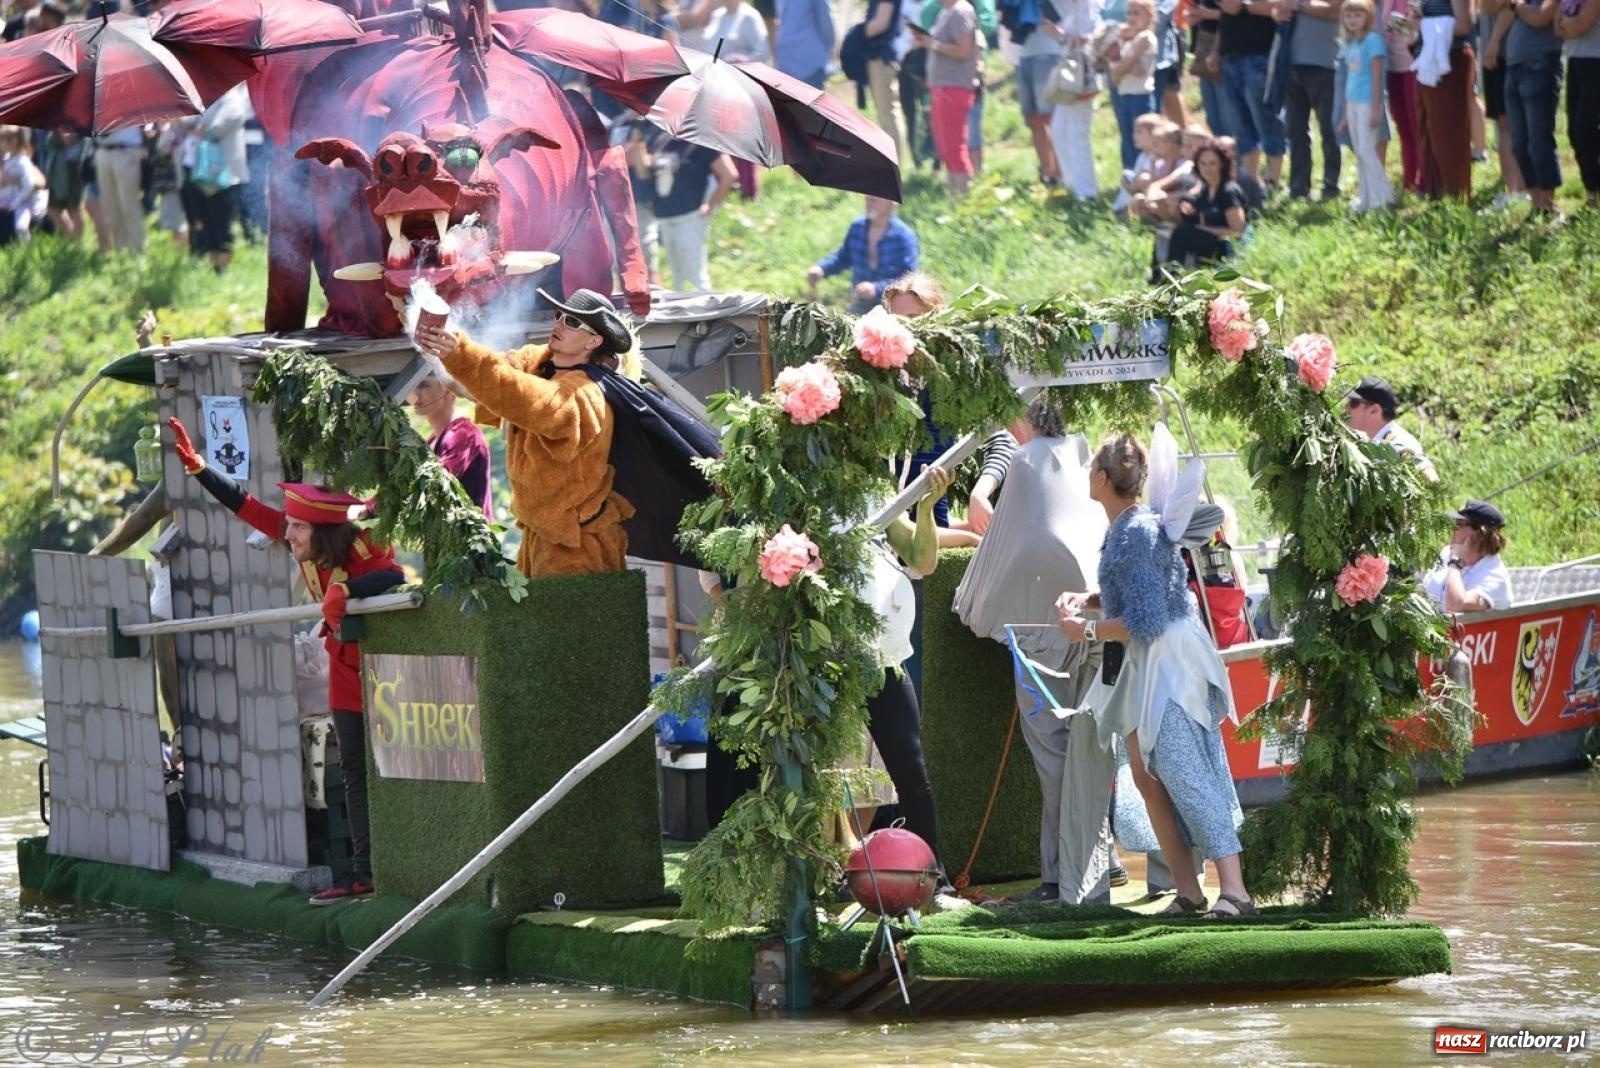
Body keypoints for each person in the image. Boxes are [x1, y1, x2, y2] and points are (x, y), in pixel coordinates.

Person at [165, 419, 404, 905]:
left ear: (320, 531)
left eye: (296, 527)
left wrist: (346, 588)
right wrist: (201, 470)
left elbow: (394, 576)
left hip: (387, 664)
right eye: (290, 525)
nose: (286, 534)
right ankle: (363, 872)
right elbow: (249, 508)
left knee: (392, 765)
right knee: (355, 769)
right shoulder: (306, 540)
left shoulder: (360, 548)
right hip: (342, 663)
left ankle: (407, 862)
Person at [1057, 433, 1254, 917]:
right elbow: (1138, 594)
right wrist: (1089, 599)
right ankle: (1187, 892)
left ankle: (1236, 892)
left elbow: (1145, 620)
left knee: (1185, 772)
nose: (1087, 477)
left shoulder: (1138, 532)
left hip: (1170, 664)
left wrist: (1082, 630)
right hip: (1151, 661)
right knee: (1146, 776)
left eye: (1090, 470)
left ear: (1103, 479)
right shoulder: (1128, 526)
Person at [953, 398, 1118, 904]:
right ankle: (1100, 862)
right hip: (1095, 623)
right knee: (1092, 748)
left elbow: (1006, 547)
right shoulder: (1082, 452)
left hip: (1042, 629)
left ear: (1023, 418)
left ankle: (1060, 878)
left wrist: (972, 609)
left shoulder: (1025, 464)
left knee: (1054, 753)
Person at [413, 290, 634, 578]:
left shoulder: (586, 394)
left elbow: (523, 397)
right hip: (539, 537)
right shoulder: (536, 362)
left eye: (571, 321)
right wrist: (437, 355)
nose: (559, 323)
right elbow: (484, 386)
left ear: (594, 341)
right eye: (559, 316)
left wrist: (460, 354)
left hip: (579, 546)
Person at [635, 131, 737, 292]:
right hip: (664, 215)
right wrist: (638, 146)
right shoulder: (661, 139)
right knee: (678, 276)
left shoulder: (703, 142)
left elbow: (729, 175)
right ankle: (685, 315)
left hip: (690, 216)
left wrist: (711, 205)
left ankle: (706, 314)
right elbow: (645, 173)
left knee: (695, 275)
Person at [1500, 0, 1566, 217]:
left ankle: (1548, 204)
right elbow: (1490, 7)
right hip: (1514, 66)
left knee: (1539, 140)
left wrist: (1517, 6)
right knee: (1520, 143)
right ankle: (1536, 204)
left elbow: (1541, 16)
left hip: (1540, 65)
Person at [1275, 0, 1343, 202]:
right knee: (1295, 131)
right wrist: (1277, 14)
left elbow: (1335, 10)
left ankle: (1331, 185)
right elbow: (1277, 9)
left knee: (1329, 129)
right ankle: (1298, 187)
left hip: (1325, 64)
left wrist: (1300, 6)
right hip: (1290, 64)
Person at [806, 196, 921, 313]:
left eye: (876, 197)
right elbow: (843, 257)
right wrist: (822, 268)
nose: (870, 200)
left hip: (893, 305)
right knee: (844, 328)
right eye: (868, 196)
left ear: (892, 202)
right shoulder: (857, 228)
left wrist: (876, 289)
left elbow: (908, 279)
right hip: (861, 302)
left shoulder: (904, 237)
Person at [1217, 0, 1287, 191]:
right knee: (1241, 126)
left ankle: (1273, 182)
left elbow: (1281, 7)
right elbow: (1224, 12)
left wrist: (1243, 6)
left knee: (1267, 121)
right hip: (1230, 57)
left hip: (1260, 55)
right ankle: (1249, 184)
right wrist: (1216, 51)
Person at [912, 0, 980, 194]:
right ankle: (954, 194)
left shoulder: (961, 11)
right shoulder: (946, 12)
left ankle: (963, 195)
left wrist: (932, 44)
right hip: (942, 88)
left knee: (954, 145)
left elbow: (963, 50)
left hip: (954, 88)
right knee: (945, 147)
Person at [409, 374, 495, 520]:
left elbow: (433, 483)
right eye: (411, 386)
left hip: (470, 539)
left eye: (423, 385)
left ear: (449, 389)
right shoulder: (432, 441)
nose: (414, 394)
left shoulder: (463, 434)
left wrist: (370, 507)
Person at [1338, 0, 1396, 212]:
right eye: (1349, 16)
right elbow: (1348, 80)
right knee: (1360, 151)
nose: (1353, 20)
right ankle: (1366, 197)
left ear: (1368, 17)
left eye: (1358, 15)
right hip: (1352, 103)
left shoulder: (1373, 41)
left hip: (1367, 103)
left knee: (1367, 149)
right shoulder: (1349, 44)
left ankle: (1382, 196)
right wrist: (1345, 115)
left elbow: (1377, 76)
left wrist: (1375, 107)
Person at [1414, 0, 1476, 200]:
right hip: (1426, 63)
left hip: (1450, 63)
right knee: (1429, 133)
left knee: (1448, 135)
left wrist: (1423, 23)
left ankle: (1456, 197)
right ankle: (1436, 195)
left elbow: (1464, 25)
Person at [1162, 137, 1247, 273]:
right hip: (1207, 242)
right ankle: (1163, 277)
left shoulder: (1229, 191)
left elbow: (1237, 231)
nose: (1207, 168)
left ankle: (1172, 278)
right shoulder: (1205, 189)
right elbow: (1202, 220)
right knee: (1179, 231)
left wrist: (1200, 229)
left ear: (1222, 164)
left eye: (1212, 163)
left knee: (1184, 233)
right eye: (1203, 163)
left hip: (1225, 246)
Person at [1422, 499, 1513, 612]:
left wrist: (1455, 563)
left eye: (1458, 524)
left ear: (1480, 533)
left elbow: (1455, 606)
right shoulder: (1446, 553)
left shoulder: (1495, 576)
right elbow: (1426, 590)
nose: (1451, 528)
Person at [1343, 375, 1439, 481]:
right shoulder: (1367, 439)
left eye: (1353, 403)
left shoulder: (1399, 443)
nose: (1346, 407)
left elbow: (1431, 480)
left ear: (1374, 410)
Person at [1557, 0, 1600, 208]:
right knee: (1575, 131)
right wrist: (1568, 23)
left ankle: (1595, 192)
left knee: (1586, 130)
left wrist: (1568, 23)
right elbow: (1558, 28)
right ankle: (1591, 192)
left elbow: (1580, 24)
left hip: (1596, 61)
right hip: (1576, 60)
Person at [1109, 0, 1161, 170]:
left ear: (1149, 16)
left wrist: (1121, 66)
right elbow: (1121, 65)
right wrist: (1123, 65)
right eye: (1129, 13)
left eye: (1136, 13)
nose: (1131, 18)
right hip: (1126, 93)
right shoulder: (1130, 40)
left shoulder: (1146, 37)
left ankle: (1146, 172)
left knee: (1144, 139)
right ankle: (1130, 173)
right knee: (1128, 137)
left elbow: (1127, 65)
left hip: (1140, 95)